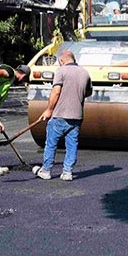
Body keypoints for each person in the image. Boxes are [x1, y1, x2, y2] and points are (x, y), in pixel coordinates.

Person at [33, 50, 92, 181]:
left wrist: (49, 110)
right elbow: (88, 92)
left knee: (51, 144)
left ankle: (46, 170)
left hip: (60, 114)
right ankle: (67, 172)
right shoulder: (85, 73)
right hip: (77, 116)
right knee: (72, 145)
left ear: (61, 61)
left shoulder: (61, 71)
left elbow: (56, 92)